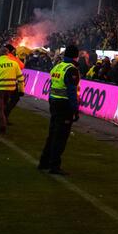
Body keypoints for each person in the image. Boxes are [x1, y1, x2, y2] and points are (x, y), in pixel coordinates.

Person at [38, 45, 81, 175]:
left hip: (54, 102)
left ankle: (44, 162)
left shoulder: (57, 66)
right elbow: (72, 91)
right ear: (76, 56)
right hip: (64, 105)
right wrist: (75, 109)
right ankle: (54, 165)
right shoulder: (71, 69)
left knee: (52, 133)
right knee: (61, 136)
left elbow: (52, 85)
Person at [0, 46, 25, 134]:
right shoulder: (14, 64)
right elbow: (20, 78)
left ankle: (2, 127)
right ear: (7, 54)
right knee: (0, 109)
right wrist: (21, 90)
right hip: (10, 90)